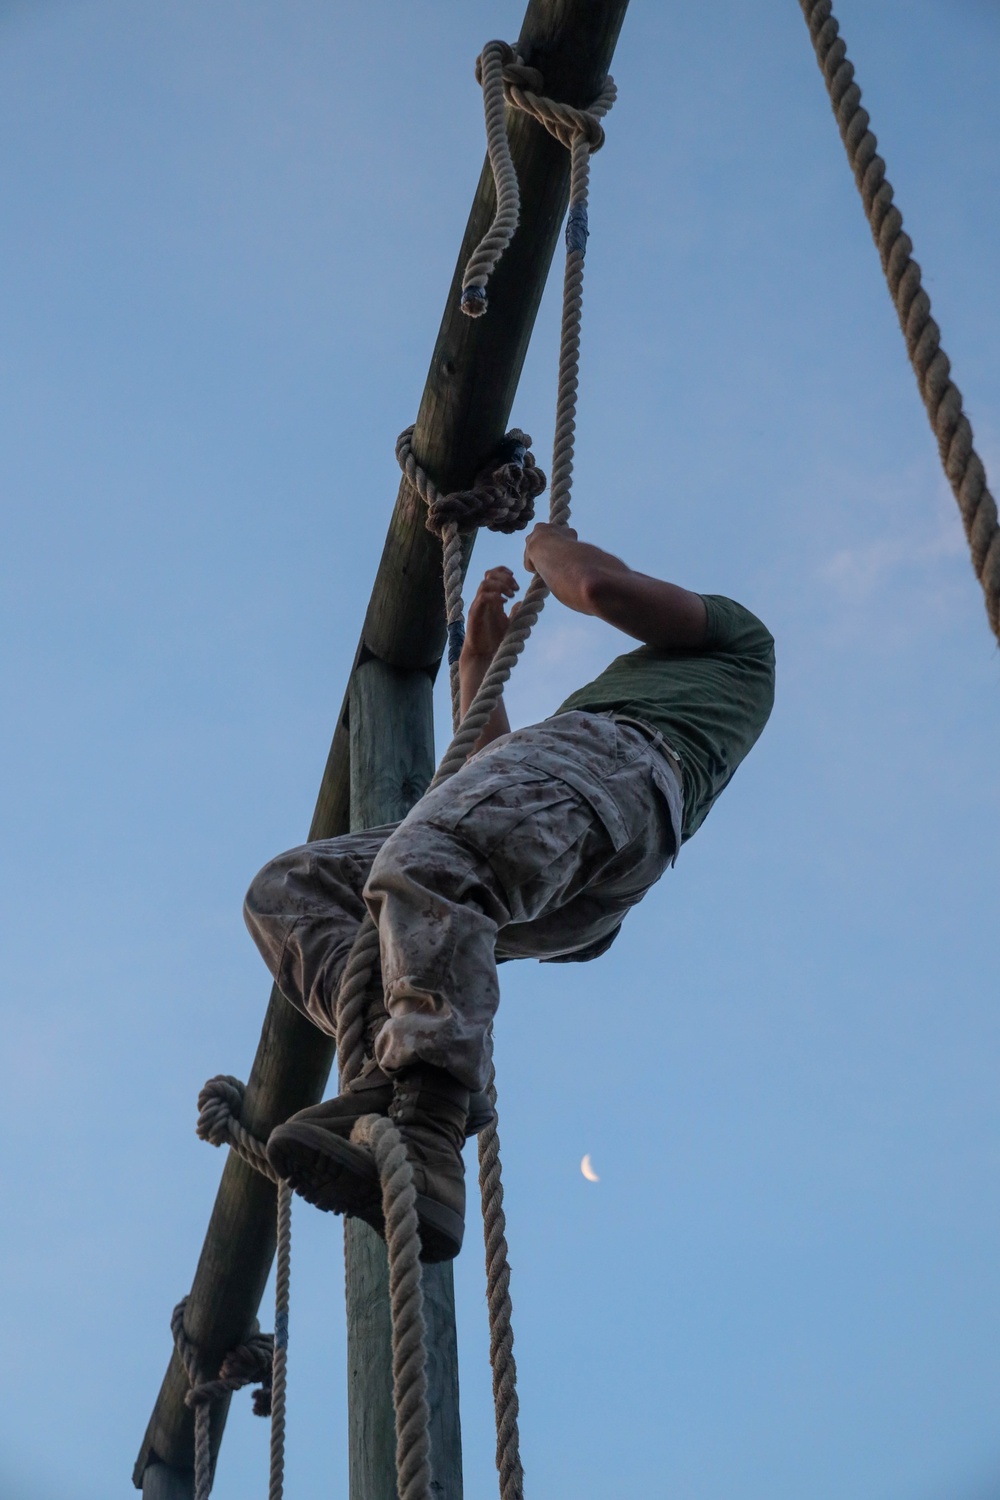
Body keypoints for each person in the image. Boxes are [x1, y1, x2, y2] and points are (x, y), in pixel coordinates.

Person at [246, 522, 775, 1262]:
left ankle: (430, 1118)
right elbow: (492, 791)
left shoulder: (741, 644)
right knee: (294, 887)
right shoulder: (620, 700)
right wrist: (479, 663)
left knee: (437, 861)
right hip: (584, 831)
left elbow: (597, 586)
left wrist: (546, 545)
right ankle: (389, 1076)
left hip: (613, 777)